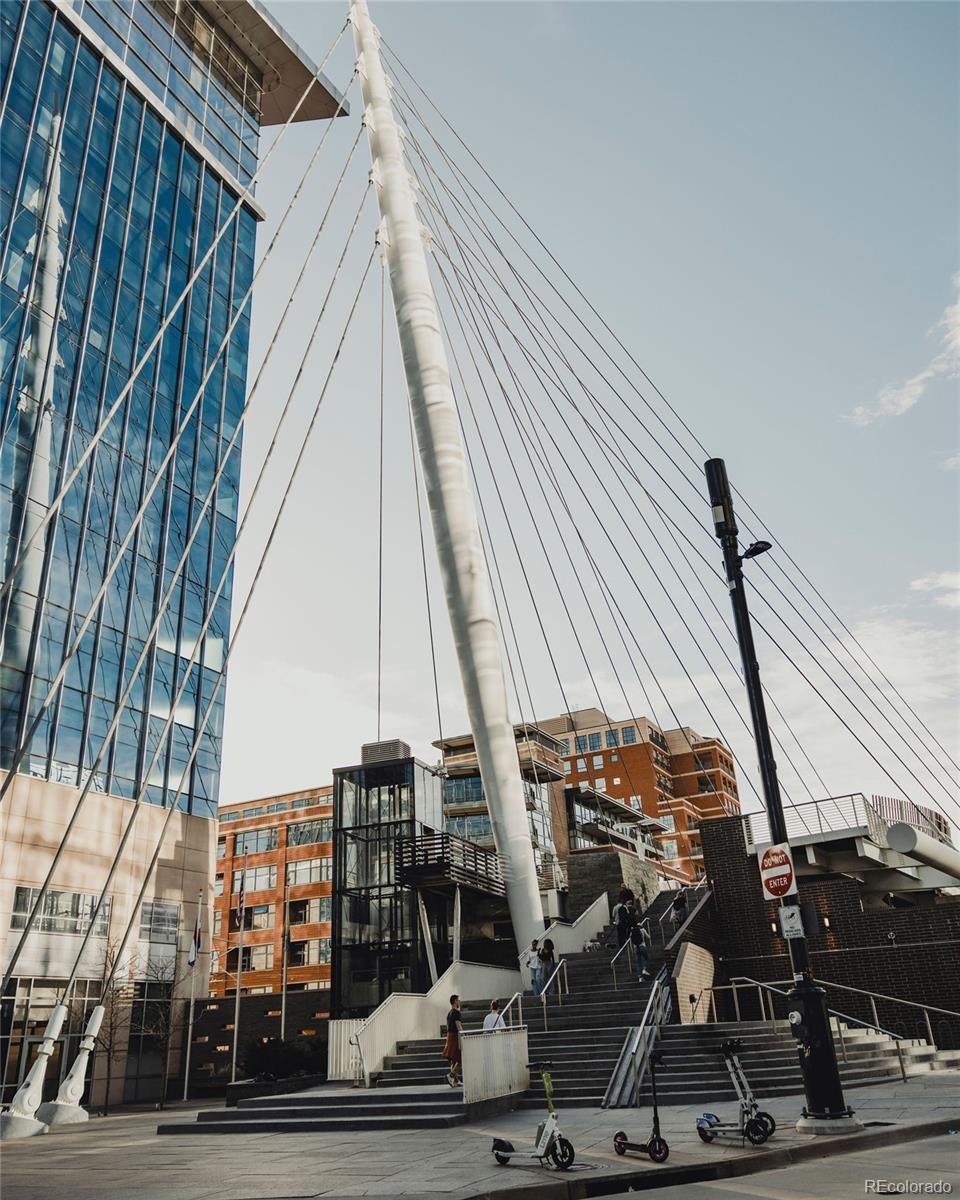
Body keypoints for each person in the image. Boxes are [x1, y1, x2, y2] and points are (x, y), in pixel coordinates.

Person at [443, 994, 463, 1087]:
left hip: (449, 1037)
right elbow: (459, 1027)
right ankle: (450, 1076)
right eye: (458, 1000)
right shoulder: (456, 1013)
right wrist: (464, 1035)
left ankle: (456, 1081)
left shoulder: (449, 1013)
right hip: (455, 1037)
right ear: (455, 1001)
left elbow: (447, 1027)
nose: (459, 1002)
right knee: (460, 1059)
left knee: (453, 1060)